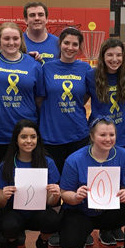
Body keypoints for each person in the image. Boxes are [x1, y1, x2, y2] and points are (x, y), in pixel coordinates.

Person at [59, 117, 125, 248]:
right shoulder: (74, 160)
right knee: (70, 244)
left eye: (111, 135)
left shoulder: (124, 155)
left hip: (109, 212)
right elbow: (64, 192)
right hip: (82, 211)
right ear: (92, 136)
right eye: (103, 135)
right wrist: (75, 196)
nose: (108, 139)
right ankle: (79, 242)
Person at [0, 120, 62, 248]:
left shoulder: (47, 162)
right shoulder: (6, 165)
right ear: (16, 140)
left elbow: (52, 203)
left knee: (53, 220)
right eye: (24, 137)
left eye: (33, 137)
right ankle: (12, 243)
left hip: (39, 211)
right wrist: (4, 197)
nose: (29, 141)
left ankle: (42, 243)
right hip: (14, 211)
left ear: (38, 139)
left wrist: (55, 195)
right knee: (7, 224)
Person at [0, 22, 44, 161]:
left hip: (24, 135)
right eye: (6, 39)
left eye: (15, 38)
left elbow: (39, 99)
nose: (11, 42)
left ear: (21, 40)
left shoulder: (34, 65)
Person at [38, 27, 92, 170]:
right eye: (66, 43)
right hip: (51, 135)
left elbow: (86, 96)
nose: (70, 47)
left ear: (79, 47)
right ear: (60, 43)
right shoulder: (46, 68)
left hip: (78, 134)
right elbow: (39, 98)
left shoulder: (85, 68)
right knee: (53, 185)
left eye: (75, 44)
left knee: (75, 183)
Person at [86, 38, 125, 150]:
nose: (115, 59)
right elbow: (81, 100)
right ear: (103, 56)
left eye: (119, 55)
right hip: (98, 134)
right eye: (110, 55)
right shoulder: (91, 76)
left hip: (121, 134)